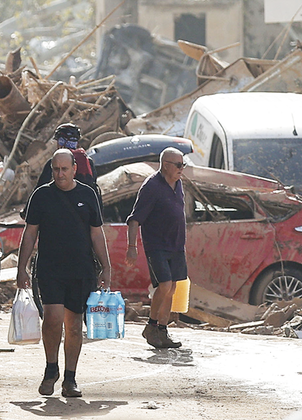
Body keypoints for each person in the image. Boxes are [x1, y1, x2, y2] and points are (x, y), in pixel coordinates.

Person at [17, 149, 112, 398]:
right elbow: (30, 233)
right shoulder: (41, 195)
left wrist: (106, 267)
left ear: (74, 169)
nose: (60, 174)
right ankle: (51, 369)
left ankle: (70, 379)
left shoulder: (88, 195)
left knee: (74, 326)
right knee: (52, 319)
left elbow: (96, 233)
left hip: (81, 269)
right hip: (50, 268)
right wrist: (21, 267)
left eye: (64, 169)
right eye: (56, 170)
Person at [127, 147, 188, 350]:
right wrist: (132, 247)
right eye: (178, 165)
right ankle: (151, 326)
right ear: (166, 165)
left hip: (176, 244)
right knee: (164, 284)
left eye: (183, 164)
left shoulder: (178, 184)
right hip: (157, 245)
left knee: (172, 288)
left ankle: (162, 330)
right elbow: (134, 219)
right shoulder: (152, 186)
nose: (181, 168)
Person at [37, 123, 97, 192]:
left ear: (61, 142)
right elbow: (93, 187)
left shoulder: (54, 162)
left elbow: (39, 190)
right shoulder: (87, 161)